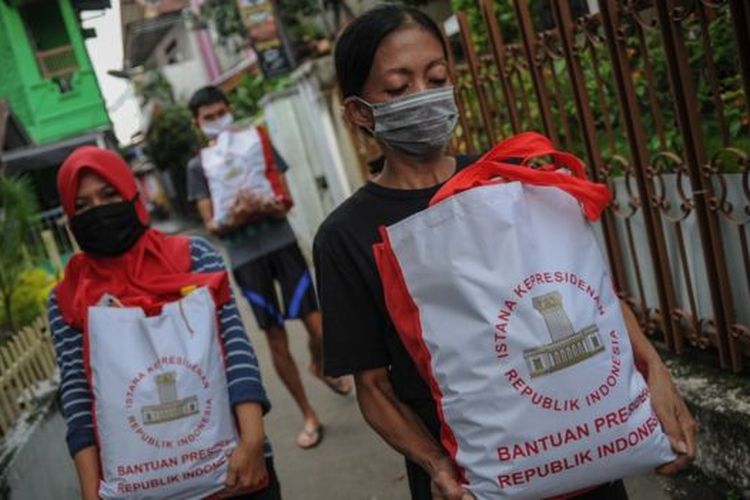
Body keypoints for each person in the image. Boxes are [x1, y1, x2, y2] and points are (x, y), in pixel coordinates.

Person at [313, 5, 697, 500]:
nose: (424, 97)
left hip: (589, 456)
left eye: (436, 78)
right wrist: (437, 465)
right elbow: (373, 387)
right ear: (359, 112)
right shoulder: (344, 236)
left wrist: (657, 376)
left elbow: (591, 299)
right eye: (398, 88)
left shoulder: (510, 183)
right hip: (476, 481)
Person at [50, 146, 279, 499]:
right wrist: (90, 492)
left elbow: (234, 351)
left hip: (236, 470)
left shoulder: (193, 256)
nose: (98, 210)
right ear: (70, 217)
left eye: (109, 195)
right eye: (82, 205)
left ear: (132, 194)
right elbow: (78, 397)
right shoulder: (68, 296)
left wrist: (251, 442)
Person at [187, 86, 351, 450]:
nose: (217, 121)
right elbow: (211, 223)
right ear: (197, 124)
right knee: (275, 337)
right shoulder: (198, 166)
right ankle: (309, 414)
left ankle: (319, 364)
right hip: (245, 259)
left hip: (282, 243)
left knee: (318, 327)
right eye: (208, 118)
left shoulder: (256, 143)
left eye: (220, 113)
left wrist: (271, 206)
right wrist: (234, 217)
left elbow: (284, 195)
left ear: (230, 109)